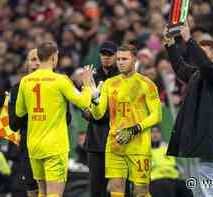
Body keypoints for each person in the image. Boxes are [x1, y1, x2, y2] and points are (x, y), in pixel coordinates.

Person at [163, 23, 213, 197]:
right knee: (203, 185)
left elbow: (207, 67)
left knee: (211, 186)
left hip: (211, 136)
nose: (197, 57)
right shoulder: (199, 73)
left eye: (202, 53)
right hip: (201, 136)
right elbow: (181, 69)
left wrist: (189, 40)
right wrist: (170, 44)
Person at [15, 41, 93, 197]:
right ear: (53, 57)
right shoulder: (60, 80)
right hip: (54, 145)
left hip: (34, 144)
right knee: (54, 194)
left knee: (42, 192)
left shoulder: (25, 81)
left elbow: (19, 112)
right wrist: (86, 84)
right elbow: (84, 102)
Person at [89, 44, 162, 197]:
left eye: (125, 59)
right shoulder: (109, 83)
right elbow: (98, 114)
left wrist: (135, 128)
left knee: (141, 191)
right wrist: (95, 99)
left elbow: (157, 115)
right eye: (119, 59)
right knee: (116, 188)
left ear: (134, 60)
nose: (121, 62)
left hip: (139, 146)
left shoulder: (147, 84)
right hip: (115, 144)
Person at [82, 41, 119, 197]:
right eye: (104, 54)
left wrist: (96, 114)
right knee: (96, 189)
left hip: (118, 140)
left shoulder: (123, 78)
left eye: (110, 54)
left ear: (116, 56)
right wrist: (88, 112)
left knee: (121, 188)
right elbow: (83, 106)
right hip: (96, 141)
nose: (107, 58)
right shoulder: (92, 78)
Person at [8, 48, 40, 197]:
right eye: (33, 59)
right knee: (32, 188)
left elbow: (67, 119)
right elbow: (13, 124)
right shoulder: (17, 88)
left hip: (53, 146)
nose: (37, 63)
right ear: (27, 63)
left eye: (40, 59)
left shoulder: (59, 85)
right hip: (28, 145)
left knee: (51, 189)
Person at [149, 126, 193, 197]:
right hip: (156, 180)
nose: (155, 134)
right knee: (165, 188)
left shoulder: (168, 148)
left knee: (187, 189)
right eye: (152, 132)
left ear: (160, 134)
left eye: (157, 132)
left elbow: (179, 166)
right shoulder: (146, 152)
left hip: (174, 179)